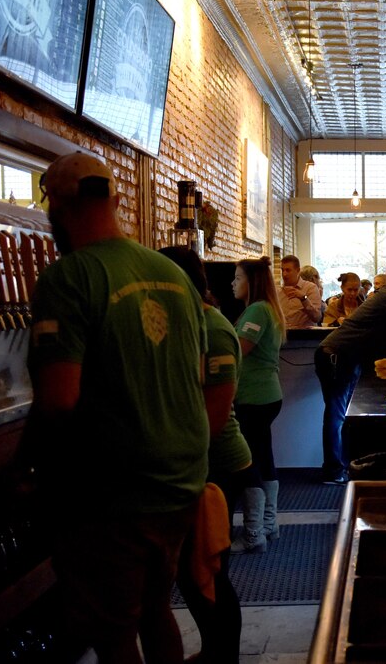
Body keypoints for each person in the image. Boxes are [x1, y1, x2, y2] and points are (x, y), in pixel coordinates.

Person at [27, 152, 208, 662]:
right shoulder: (171, 275)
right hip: (180, 479)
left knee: (112, 631)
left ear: (57, 204)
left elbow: (59, 401)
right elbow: (190, 377)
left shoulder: (68, 277)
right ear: (116, 198)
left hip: (114, 491)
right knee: (156, 609)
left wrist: (29, 464)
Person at [159, 246, 251, 664]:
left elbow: (213, 417)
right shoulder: (187, 321)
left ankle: (222, 655)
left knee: (209, 571)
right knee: (199, 573)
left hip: (217, 464)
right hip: (200, 461)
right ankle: (216, 651)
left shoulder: (212, 327)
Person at [315, 261, 386, 484]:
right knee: (336, 415)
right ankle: (333, 471)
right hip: (336, 356)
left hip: (343, 356)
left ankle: (339, 468)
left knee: (340, 414)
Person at [230, 257, 287, 553]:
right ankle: (268, 524)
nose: (232, 283)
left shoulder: (257, 310)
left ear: (250, 282)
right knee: (263, 457)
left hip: (254, 397)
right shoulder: (268, 309)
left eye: (237, 278)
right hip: (266, 395)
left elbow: (238, 350)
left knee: (248, 462)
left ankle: (254, 533)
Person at [278, 255, 321, 328]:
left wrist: (304, 298)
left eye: (288, 270)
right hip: (282, 335)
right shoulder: (278, 292)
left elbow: (316, 317)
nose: (284, 274)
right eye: (282, 270)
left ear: (298, 271)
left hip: (303, 337)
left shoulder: (310, 288)